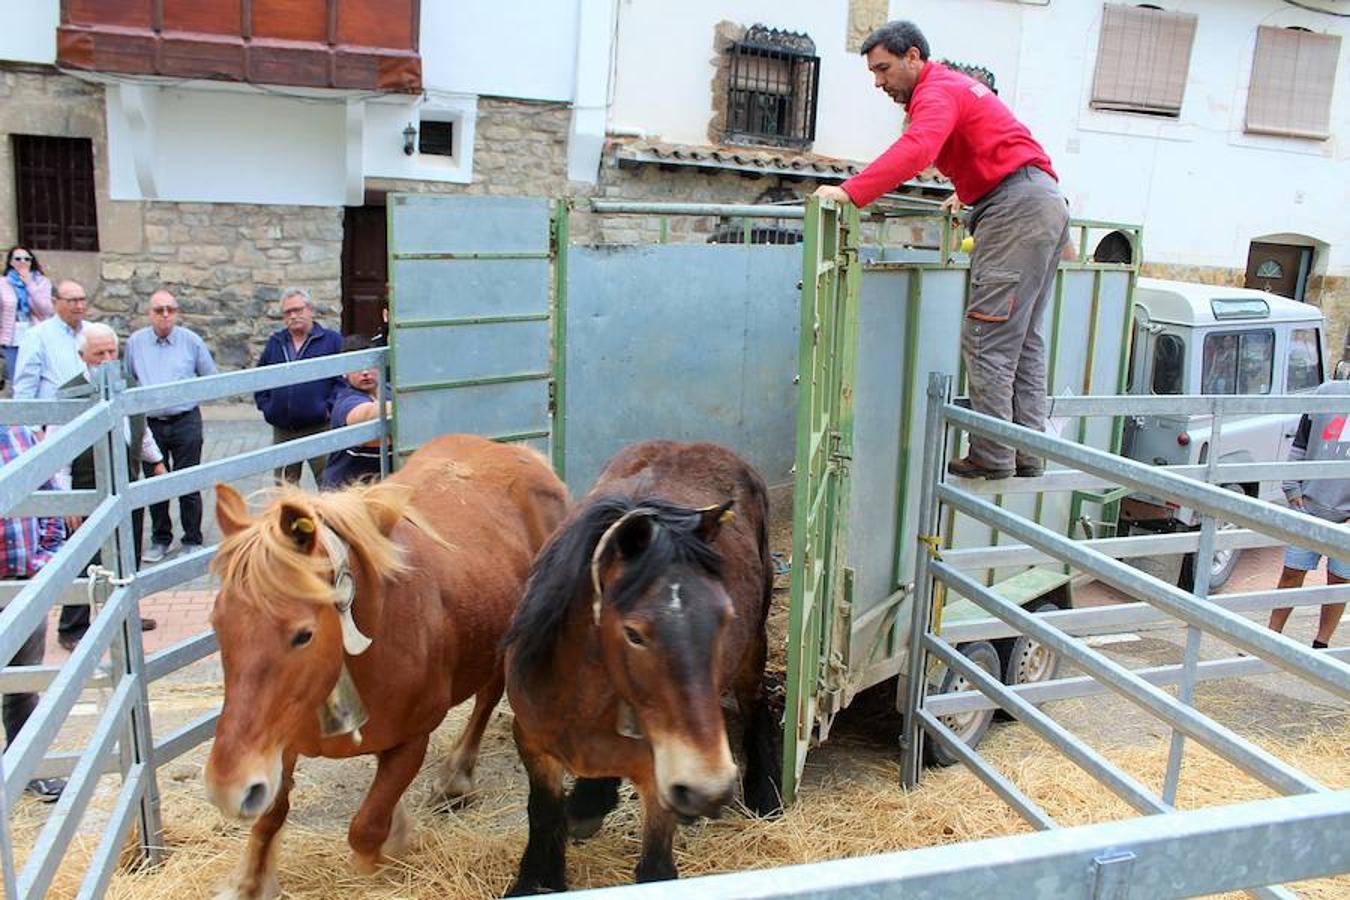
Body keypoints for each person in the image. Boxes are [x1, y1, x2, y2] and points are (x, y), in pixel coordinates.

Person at [815, 20, 1068, 480]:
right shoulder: (956, 86)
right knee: (1023, 337)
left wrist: (850, 192)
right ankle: (1028, 451)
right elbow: (997, 147)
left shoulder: (935, 92)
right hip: (1037, 199)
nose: (878, 83)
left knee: (987, 337)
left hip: (1016, 207)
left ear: (914, 57)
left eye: (883, 69)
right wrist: (970, 191)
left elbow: (917, 150)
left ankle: (993, 456)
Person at [56, 323, 164, 651]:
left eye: (111, 352)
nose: (106, 359)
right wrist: (67, 501)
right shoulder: (70, 394)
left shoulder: (128, 385)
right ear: (82, 356)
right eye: (98, 353)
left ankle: (126, 615)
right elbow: (60, 455)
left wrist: (157, 463)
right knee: (85, 559)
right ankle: (72, 627)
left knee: (127, 554)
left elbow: (140, 432)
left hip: (127, 485)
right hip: (88, 489)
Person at [124, 290, 218, 563]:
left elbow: (210, 377)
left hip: (185, 420)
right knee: (155, 481)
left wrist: (188, 397)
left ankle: (192, 538)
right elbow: (129, 377)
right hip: (149, 424)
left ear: (176, 312)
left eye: (170, 309)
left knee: (189, 480)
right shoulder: (136, 343)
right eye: (158, 310)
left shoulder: (191, 341)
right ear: (149, 313)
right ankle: (160, 538)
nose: (165, 315)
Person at [0, 424, 68, 802]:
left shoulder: (20, 435)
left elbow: (49, 494)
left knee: (23, 685)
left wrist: (47, 553)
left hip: (23, 582)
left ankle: (27, 769)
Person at [1268, 379, 1349, 649]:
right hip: (1308, 506)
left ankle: (1321, 644)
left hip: (1347, 516)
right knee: (1292, 572)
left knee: (1339, 580)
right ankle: (1271, 635)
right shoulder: (1326, 392)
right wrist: (1292, 487)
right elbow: (1301, 442)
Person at [253, 288, 342, 485]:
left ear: (310, 309)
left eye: (298, 310)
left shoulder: (331, 341)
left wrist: (329, 409)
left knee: (329, 484)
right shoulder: (276, 342)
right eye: (288, 312)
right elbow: (259, 378)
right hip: (284, 429)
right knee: (285, 488)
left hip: (320, 427)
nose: (293, 316)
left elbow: (342, 381)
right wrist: (268, 407)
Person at [320, 335, 391, 490]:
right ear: (344, 373)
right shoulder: (346, 399)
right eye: (357, 367)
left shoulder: (390, 391)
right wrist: (411, 407)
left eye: (370, 364)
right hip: (344, 493)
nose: (365, 372)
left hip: (378, 488)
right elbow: (365, 415)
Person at [11, 279, 88, 402]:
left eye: (82, 300)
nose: (79, 306)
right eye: (72, 301)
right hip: (53, 415)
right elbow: (26, 384)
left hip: (91, 412)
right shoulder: (37, 336)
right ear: (54, 302)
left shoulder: (93, 332)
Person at [0, 246, 54, 387]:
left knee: (36, 375)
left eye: (26, 259)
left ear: (31, 261)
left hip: (35, 333)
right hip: (12, 337)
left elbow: (46, 309)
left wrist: (29, 284)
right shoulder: (3, 283)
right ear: (11, 262)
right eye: (18, 259)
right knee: (15, 378)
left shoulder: (42, 282)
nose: (22, 262)